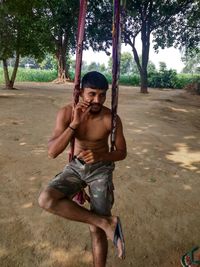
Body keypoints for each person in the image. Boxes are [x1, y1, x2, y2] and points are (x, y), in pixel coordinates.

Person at [38, 71, 127, 267]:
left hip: (101, 170)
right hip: (76, 167)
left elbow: (122, 152)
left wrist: (101, 155)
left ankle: (102, 227)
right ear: (80, 92)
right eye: (92, 94)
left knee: (95, 231)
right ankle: (106, 223)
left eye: (102, 94)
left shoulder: (110, 119)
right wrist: (75, 124)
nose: (98, 100)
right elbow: (52, 152)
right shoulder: (67, 113)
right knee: (46, 199)